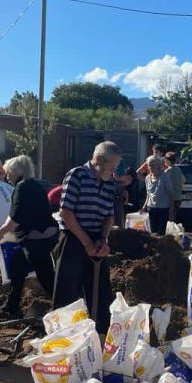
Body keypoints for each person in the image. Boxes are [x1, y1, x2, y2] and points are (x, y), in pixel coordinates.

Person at [53, 141, 120, 334]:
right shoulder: (77, 175)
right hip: (73, 238)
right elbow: (66, 212)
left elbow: (108, 215)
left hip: (96, 239)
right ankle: (61, 337)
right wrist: (87, 243)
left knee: (101, 292)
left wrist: (103, 239)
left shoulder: (109, 183)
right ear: (99, 159)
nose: (114, 171)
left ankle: (99, 337)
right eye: (112, 166)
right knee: (66, 293)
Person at [0, 155, 59, 319]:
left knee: (46, 277)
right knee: (17, 268)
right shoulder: (32, 185)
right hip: (42, 234)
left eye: (9, 173)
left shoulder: (22, 187)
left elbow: (16, 216)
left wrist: (1, 233)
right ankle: (12, 306)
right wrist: (3, 229)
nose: (7, 177)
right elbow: (15, 213)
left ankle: (65, 307)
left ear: (18, 171)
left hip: (37, 238)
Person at [142, 155, 174, 235]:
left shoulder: (164, 177)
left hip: (163, 209)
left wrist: (171, 212)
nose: (151, 167)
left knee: (160, 233)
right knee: (152, 232)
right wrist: (144, 207)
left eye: (153, 165)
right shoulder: (147, 178)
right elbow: (148, 194)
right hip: (151, 208)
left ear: (158, 166)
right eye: (149, 165)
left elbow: (171, 194)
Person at [113, 159, 132, 228]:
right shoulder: (108, 171)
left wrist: (119, 181)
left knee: (119, 221)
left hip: (118, 199)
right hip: (110, 198)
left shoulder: (124, 173)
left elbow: (128, 181)